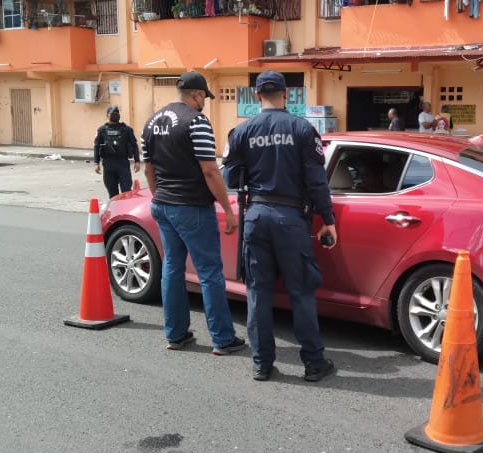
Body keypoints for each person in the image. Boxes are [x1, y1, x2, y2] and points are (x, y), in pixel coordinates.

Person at [223, 70, 338, 383]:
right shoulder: (302, 129)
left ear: (257, 95)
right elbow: (317, 181)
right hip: (291, 220)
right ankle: (313, 364)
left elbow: (230, 177)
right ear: (287, 94)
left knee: (258, 293)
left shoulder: (241, 132)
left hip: (256, 216)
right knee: (301, 292)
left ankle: (262, 365)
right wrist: (328, 220)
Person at [140, 71, 246, 356]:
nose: (204, 103)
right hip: (192, 207)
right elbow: (210, 170)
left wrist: (159, 196)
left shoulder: (151, 122)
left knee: (172, 268)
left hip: (163, 204)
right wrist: (228, 209)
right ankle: (222, 339)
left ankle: (175, 335)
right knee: (209, 272)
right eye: (204, 98)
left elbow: (148, 169)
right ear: (197, 94)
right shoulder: (196, 121)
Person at [94, 105, 141, 198]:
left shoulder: (127, 130)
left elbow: (134, 145)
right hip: (108, 164)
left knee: (126, 192)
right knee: (112, 194)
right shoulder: (102, 130)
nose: (115, 115)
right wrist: (96, 163)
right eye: (113, 113)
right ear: (107, 115)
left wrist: (137, 161)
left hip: (122, 163)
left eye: (117, 113)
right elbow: (97, 146)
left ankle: (126, 207)